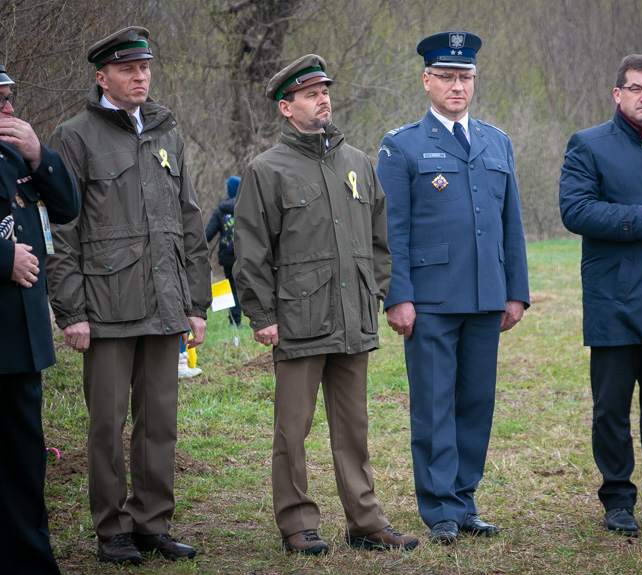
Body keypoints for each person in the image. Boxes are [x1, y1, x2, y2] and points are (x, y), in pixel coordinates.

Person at [232, 53, 418, 556]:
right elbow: (249, 251)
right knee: (292, 430)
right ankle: (297, 523)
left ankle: (365, 521)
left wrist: (374, 291)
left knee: (353, 429)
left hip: (353, 318)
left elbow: (381, 241)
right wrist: (263, 315)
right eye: (310, 94)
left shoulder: (357, 162)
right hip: (298, 321)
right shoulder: (266, 170)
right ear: (286, 108)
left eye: (324, 91)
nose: (323, 100)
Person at [45, 27, 211, 565]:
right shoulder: (75, 135)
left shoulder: (168, 131)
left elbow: (189, 220)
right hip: (107, 306)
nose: (139, 77)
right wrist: (71, 310)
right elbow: (62, 230)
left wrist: (196, 302)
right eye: (126, 70)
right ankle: (111, 528)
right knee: (106, 424)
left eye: (144, 68)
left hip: (165, 304)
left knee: (159, 422)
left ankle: (151, 524)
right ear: (102, 77)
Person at [376, 31, 530, 544]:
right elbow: (391, 230)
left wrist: (516, 291)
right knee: (434, 404)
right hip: (430, 300)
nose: (457, 86)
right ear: (427, 81)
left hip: (487, 296)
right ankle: (439, 507)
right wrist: (397, 295)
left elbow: (512, 224)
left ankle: (465, 501)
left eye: (465, 77)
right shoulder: (401, 146)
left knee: (475, 402)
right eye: (446, 76)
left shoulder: (496, 141)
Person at [558, 54, 642, 536]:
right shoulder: (588, 145)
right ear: (618, 94)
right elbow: (576, 210)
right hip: (613, 299)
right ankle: (617, 499)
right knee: (611, 407)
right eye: (636, 89)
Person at [0, 64, 79, 575]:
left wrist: (39, 155)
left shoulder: (13, 153)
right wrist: (3, 259)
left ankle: (29, 560)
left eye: (9, 98)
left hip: (19, 339)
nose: (8, 109)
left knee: (23, 460)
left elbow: (67, 207)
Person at [205, 176, 242, 326]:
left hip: (227, 257)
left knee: (232, 287)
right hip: (245, 257)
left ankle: (234, 321)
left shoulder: (221, 209)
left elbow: (207, 234)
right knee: (244, 287)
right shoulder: (247, 207)